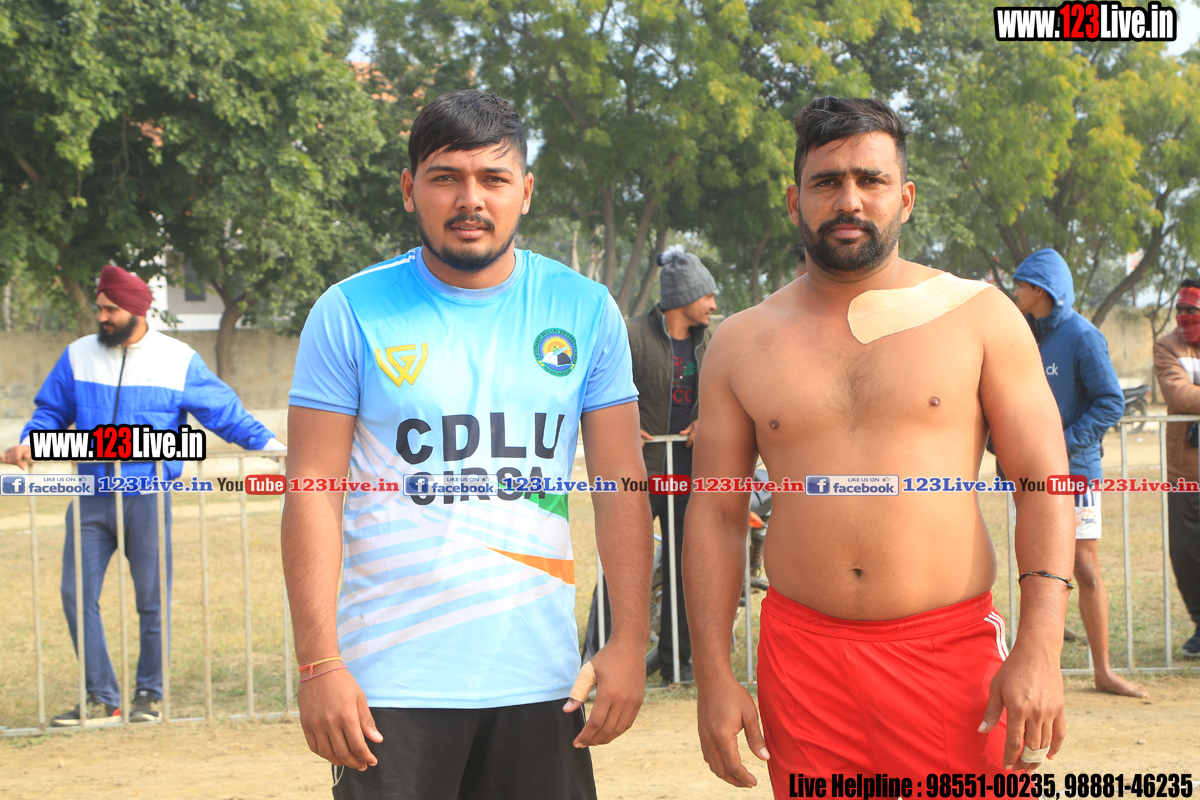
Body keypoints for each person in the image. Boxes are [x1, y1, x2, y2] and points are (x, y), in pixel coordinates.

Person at [684, 96, 1074, 792]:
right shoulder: (741, 342)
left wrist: (1042, 646)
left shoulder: (979, 316)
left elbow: (1044, 482)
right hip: (802, 664)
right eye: (826, 182)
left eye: (871, 180)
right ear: (794, 201)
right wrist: (713, 675)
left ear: (906, 198)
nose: (849, 200)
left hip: (949, 657)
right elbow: (715, 514)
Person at [282, 90, 652, 800]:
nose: (469, 199)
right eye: (445, 177)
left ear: (526, 192)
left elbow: (620, 484)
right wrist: (319, 664)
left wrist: (629, 640)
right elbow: (312, 493)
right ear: (409, 188)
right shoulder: (349, 311)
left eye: (493, 178)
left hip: (541, 681)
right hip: (392, 684)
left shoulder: (585, 309)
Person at [2, 265, 283, 726]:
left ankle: (149, 695)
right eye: (99, 308)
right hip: (90, 495)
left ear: (136, 310)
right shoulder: (78, 355)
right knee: (75, 594)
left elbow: (225, 413)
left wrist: (273, 448)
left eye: (110, 309)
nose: (102, 316)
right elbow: (51, 410)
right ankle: (102, 698)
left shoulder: (177, 359)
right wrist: (32, 439)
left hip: (147, 495)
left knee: (151, 601)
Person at [1011, 250, 1147, 696]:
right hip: (1030, 474)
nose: (1015, 292)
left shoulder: (1083, 335)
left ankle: (1103, 672)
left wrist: (1060, 445)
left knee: (1084, 568)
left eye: (1021, 285)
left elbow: (1111, 401)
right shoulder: (1022, 334)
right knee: (1037, 567)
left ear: (1042, 290)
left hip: (1076, 473)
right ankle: (1039, 668)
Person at [583, 246, 717, 684]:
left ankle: (678, 667)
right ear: (684, 296)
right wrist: (623, 424)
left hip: (689, 473)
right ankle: (596, 662)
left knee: (686, 569)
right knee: (623, 566)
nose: (713, 304)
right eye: (707, 295)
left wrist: (707, 418)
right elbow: (599, 390)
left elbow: (724, 394)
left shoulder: (712, 342)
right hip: (639, 474)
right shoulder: (630, 335)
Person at [1152, 278, 1200, 658]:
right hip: (1186, 473)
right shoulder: (1167, 346)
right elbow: (1178, 394)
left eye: (1192, 311)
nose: (1184, 317)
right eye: (1180, 310)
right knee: (1186, 554)